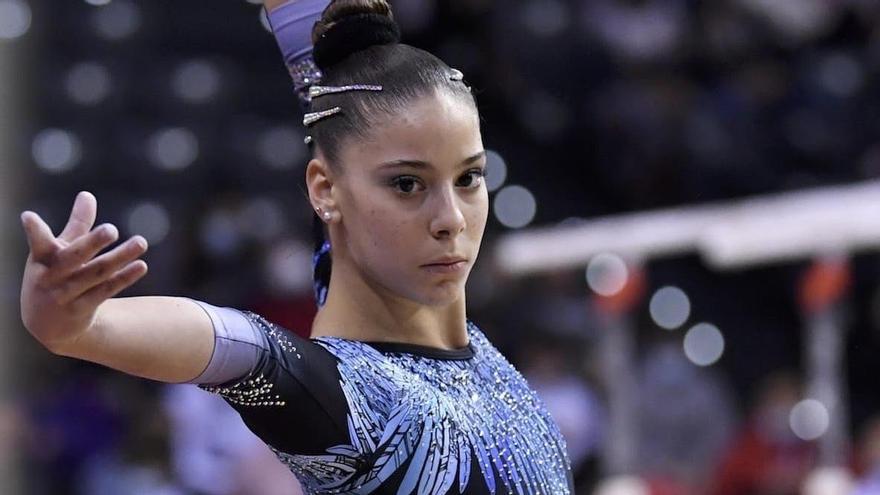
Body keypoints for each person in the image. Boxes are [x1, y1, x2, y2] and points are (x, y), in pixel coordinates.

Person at [18, 0, 575, 493]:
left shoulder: (369, 249)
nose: (450, 219)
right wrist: (80, 329)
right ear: (324, 191)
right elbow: (233, 348)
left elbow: (327, 92)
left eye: (469, 178)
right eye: (408, 184)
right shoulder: (354, 409)